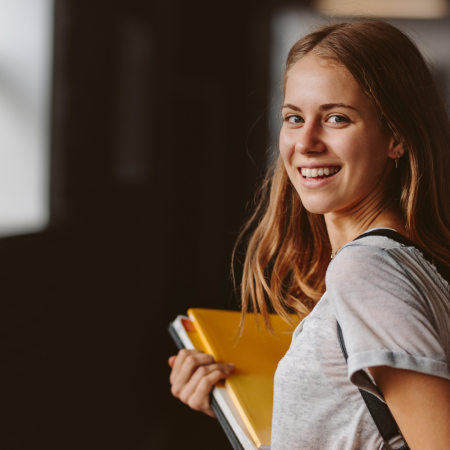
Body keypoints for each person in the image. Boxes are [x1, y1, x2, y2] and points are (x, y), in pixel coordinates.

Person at [168, 19, 450, 449]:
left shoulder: (366, 270)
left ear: (396, 135)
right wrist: (234, 405)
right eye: (294, 118)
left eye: (337, 118)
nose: (306, 141)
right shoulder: (409, 264)